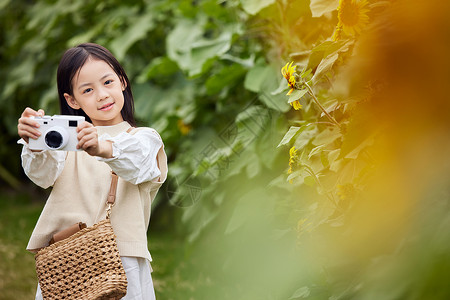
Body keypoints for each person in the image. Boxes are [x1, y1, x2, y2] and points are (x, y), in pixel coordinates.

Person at [17, 43, 168, 299]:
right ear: (72, 100)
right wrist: (35, 143)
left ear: (122, 82)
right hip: (66, 260)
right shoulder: (65, 141)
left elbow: (139, 165)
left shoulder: (143, 139)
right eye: (88, 89)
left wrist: (102, 147)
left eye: (107, 82)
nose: (101, 94)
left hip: (121, 260)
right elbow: (41, 175)